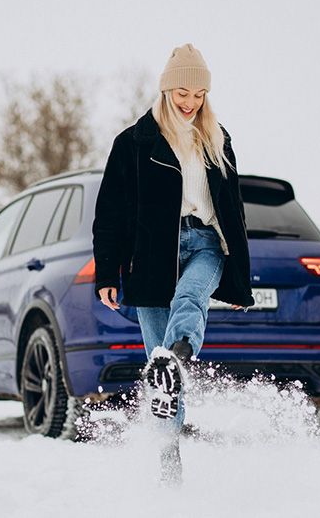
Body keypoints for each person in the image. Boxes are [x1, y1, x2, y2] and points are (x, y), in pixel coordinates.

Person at [92, 43, 254, 484]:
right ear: (165, 90)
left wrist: (240, 278)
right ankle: (169, 460)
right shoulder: (133, 143)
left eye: (199, 94)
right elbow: (110, 212)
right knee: (160, 372)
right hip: (150, 257)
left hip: (204, 244)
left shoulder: (217, 139)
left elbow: (233, 212)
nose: (190, 102)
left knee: (188, 300)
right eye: (182, 92)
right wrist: (107, 271)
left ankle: (183, 349)